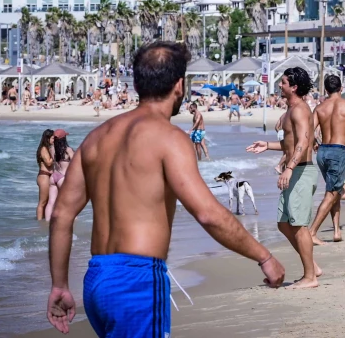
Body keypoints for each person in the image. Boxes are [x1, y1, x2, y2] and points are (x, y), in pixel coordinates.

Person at [46, 42, 284, 336]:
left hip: (96, 281)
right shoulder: (170, 139)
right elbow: (208, 213)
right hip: (138, 281)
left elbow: (60, 216)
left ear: (135, 83)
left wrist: (59, 285)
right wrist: (264, 256)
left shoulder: (96, 139)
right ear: (180, 85)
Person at [247, 67, 321, 288]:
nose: (280, 85)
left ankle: (310, 277)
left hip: (301, 170)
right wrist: (267, 145)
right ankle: (313, 266)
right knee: (283, 223)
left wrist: (288, 168)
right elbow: (289, 143)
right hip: (295, 169)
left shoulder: (299, 109)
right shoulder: (290, 110)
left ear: (294, 87)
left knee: (299, 225)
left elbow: (304, 142)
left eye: (284, 82)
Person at [309, 75, 345, 246]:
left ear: (325, 90)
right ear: (341, 88)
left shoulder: (320, 108)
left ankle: (336, 230)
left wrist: (315, 144)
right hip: (337, 150)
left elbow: (310, 131)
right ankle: (312, 232)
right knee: (332, 193)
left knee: (334, 189)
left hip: (322, 151)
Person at [45, 130, 75, 221]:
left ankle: (47, 223)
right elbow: (75, 163)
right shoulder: (68, 150)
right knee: (69, 202)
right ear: (64, 138)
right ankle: (72, 222)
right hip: (63, 177)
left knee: (51, 202)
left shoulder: (51, 149)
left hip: (54, 176)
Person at [36, 129, 56, 220]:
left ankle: (44, 220)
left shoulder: (49, 148)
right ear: (47, 138)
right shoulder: (44, 148)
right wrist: (55, 155)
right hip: (44, 175)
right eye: (52, 138)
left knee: (48, 201)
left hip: (48, 176)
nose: (54, 140)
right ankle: (39, 222)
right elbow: (48, 163)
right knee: (42, 202)